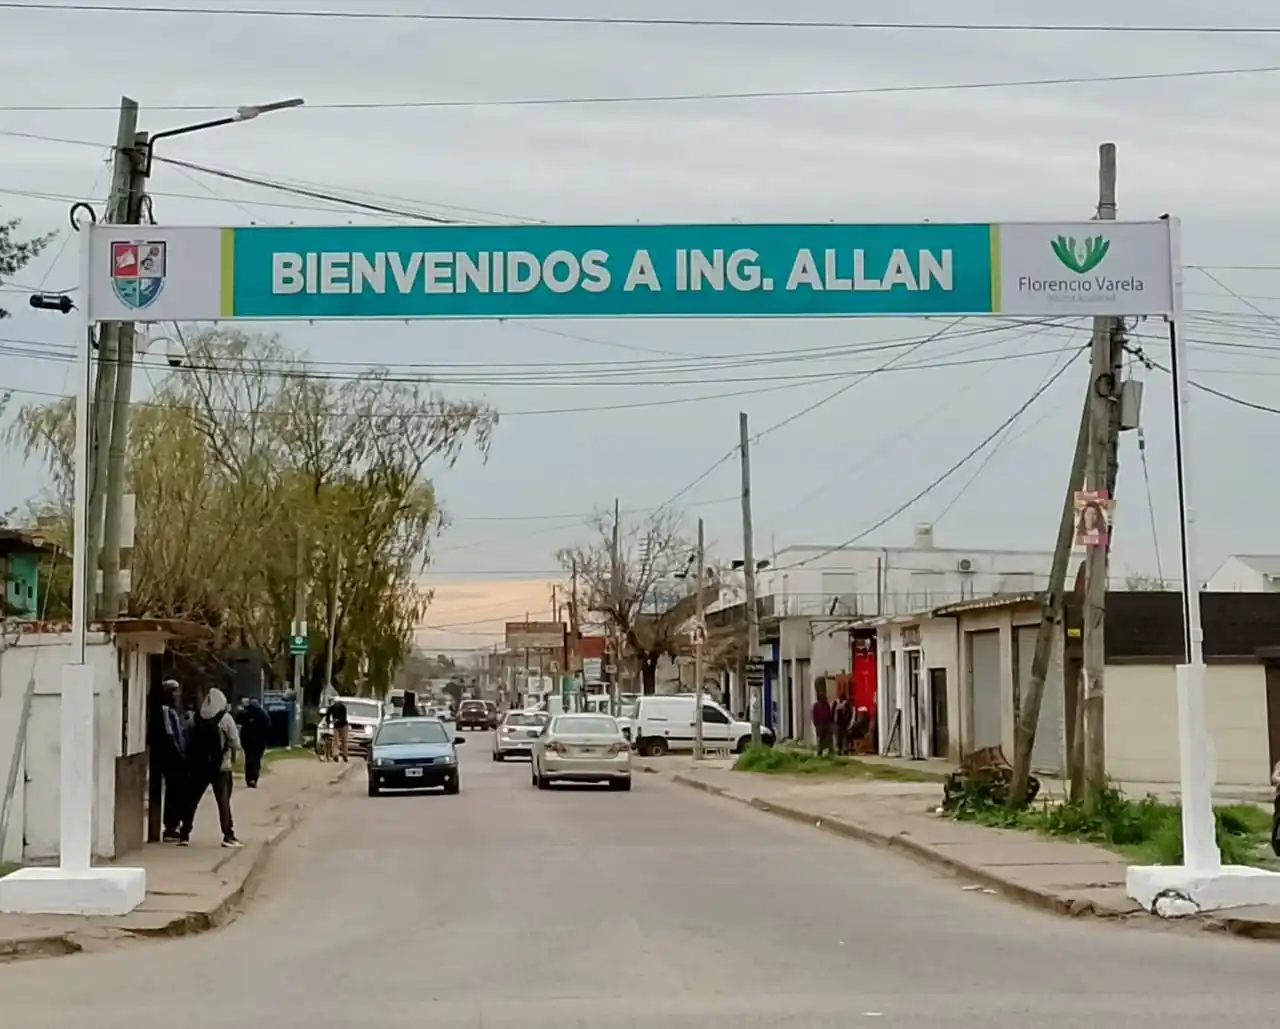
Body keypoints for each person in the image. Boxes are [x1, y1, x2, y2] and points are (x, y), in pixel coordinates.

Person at [180, 687, 242, 848]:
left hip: (199, 767)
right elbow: (236, 743)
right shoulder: (225, 718)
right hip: (221, 767)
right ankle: (228, 835)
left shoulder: (198, 718)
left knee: (192, 800)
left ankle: (184, 833)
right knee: (223, 802)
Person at [159, 680, 189, 842]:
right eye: (173, 691)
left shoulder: (174, 711)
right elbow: (170, 734)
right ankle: (170, 826)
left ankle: (174, 824)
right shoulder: (165, 711)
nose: (176, 695)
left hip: (177, 755)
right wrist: (179, 754)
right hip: (171, 757)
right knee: (173, 791)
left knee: (177, 791)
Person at [235, 697, 271, 788]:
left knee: (248, 760)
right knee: (256, 760)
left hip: (247, 741)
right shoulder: (263, 714)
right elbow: (268, 727)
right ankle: (254, 778)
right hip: (259, 742)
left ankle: (249, 779)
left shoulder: (245, 713)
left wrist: (239, 710)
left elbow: (237, 719)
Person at [324, 696, 350, 763]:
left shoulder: (343, 708)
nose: (336, 704)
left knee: (344, 741)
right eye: (335, 702)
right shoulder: (332, 708)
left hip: (343, 725)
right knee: (335, 741)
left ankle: (345, 756)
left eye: (337, 702)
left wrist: (336, 720)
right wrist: (328, 722)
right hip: (336, 726)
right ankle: (335, 755)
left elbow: (343, 717)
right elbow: (328, 715)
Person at [812, 681, 834, 757]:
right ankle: (820, 751)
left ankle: (830, 750)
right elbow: (814, 715)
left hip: (826, 724)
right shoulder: (816, 705)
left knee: (828, 738)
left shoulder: (826, 704)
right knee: (820, 739)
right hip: (820, 725)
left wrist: (830, 722)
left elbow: (829, 713)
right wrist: (816, 724)